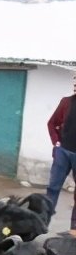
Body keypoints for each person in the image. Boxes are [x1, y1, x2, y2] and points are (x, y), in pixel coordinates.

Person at [45, 75, 76, 234]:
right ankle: (44, 223)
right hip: (63, 151)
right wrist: (56, 143)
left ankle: (74, 230)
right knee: (53, 188)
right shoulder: (66, 102)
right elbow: (52, 123)